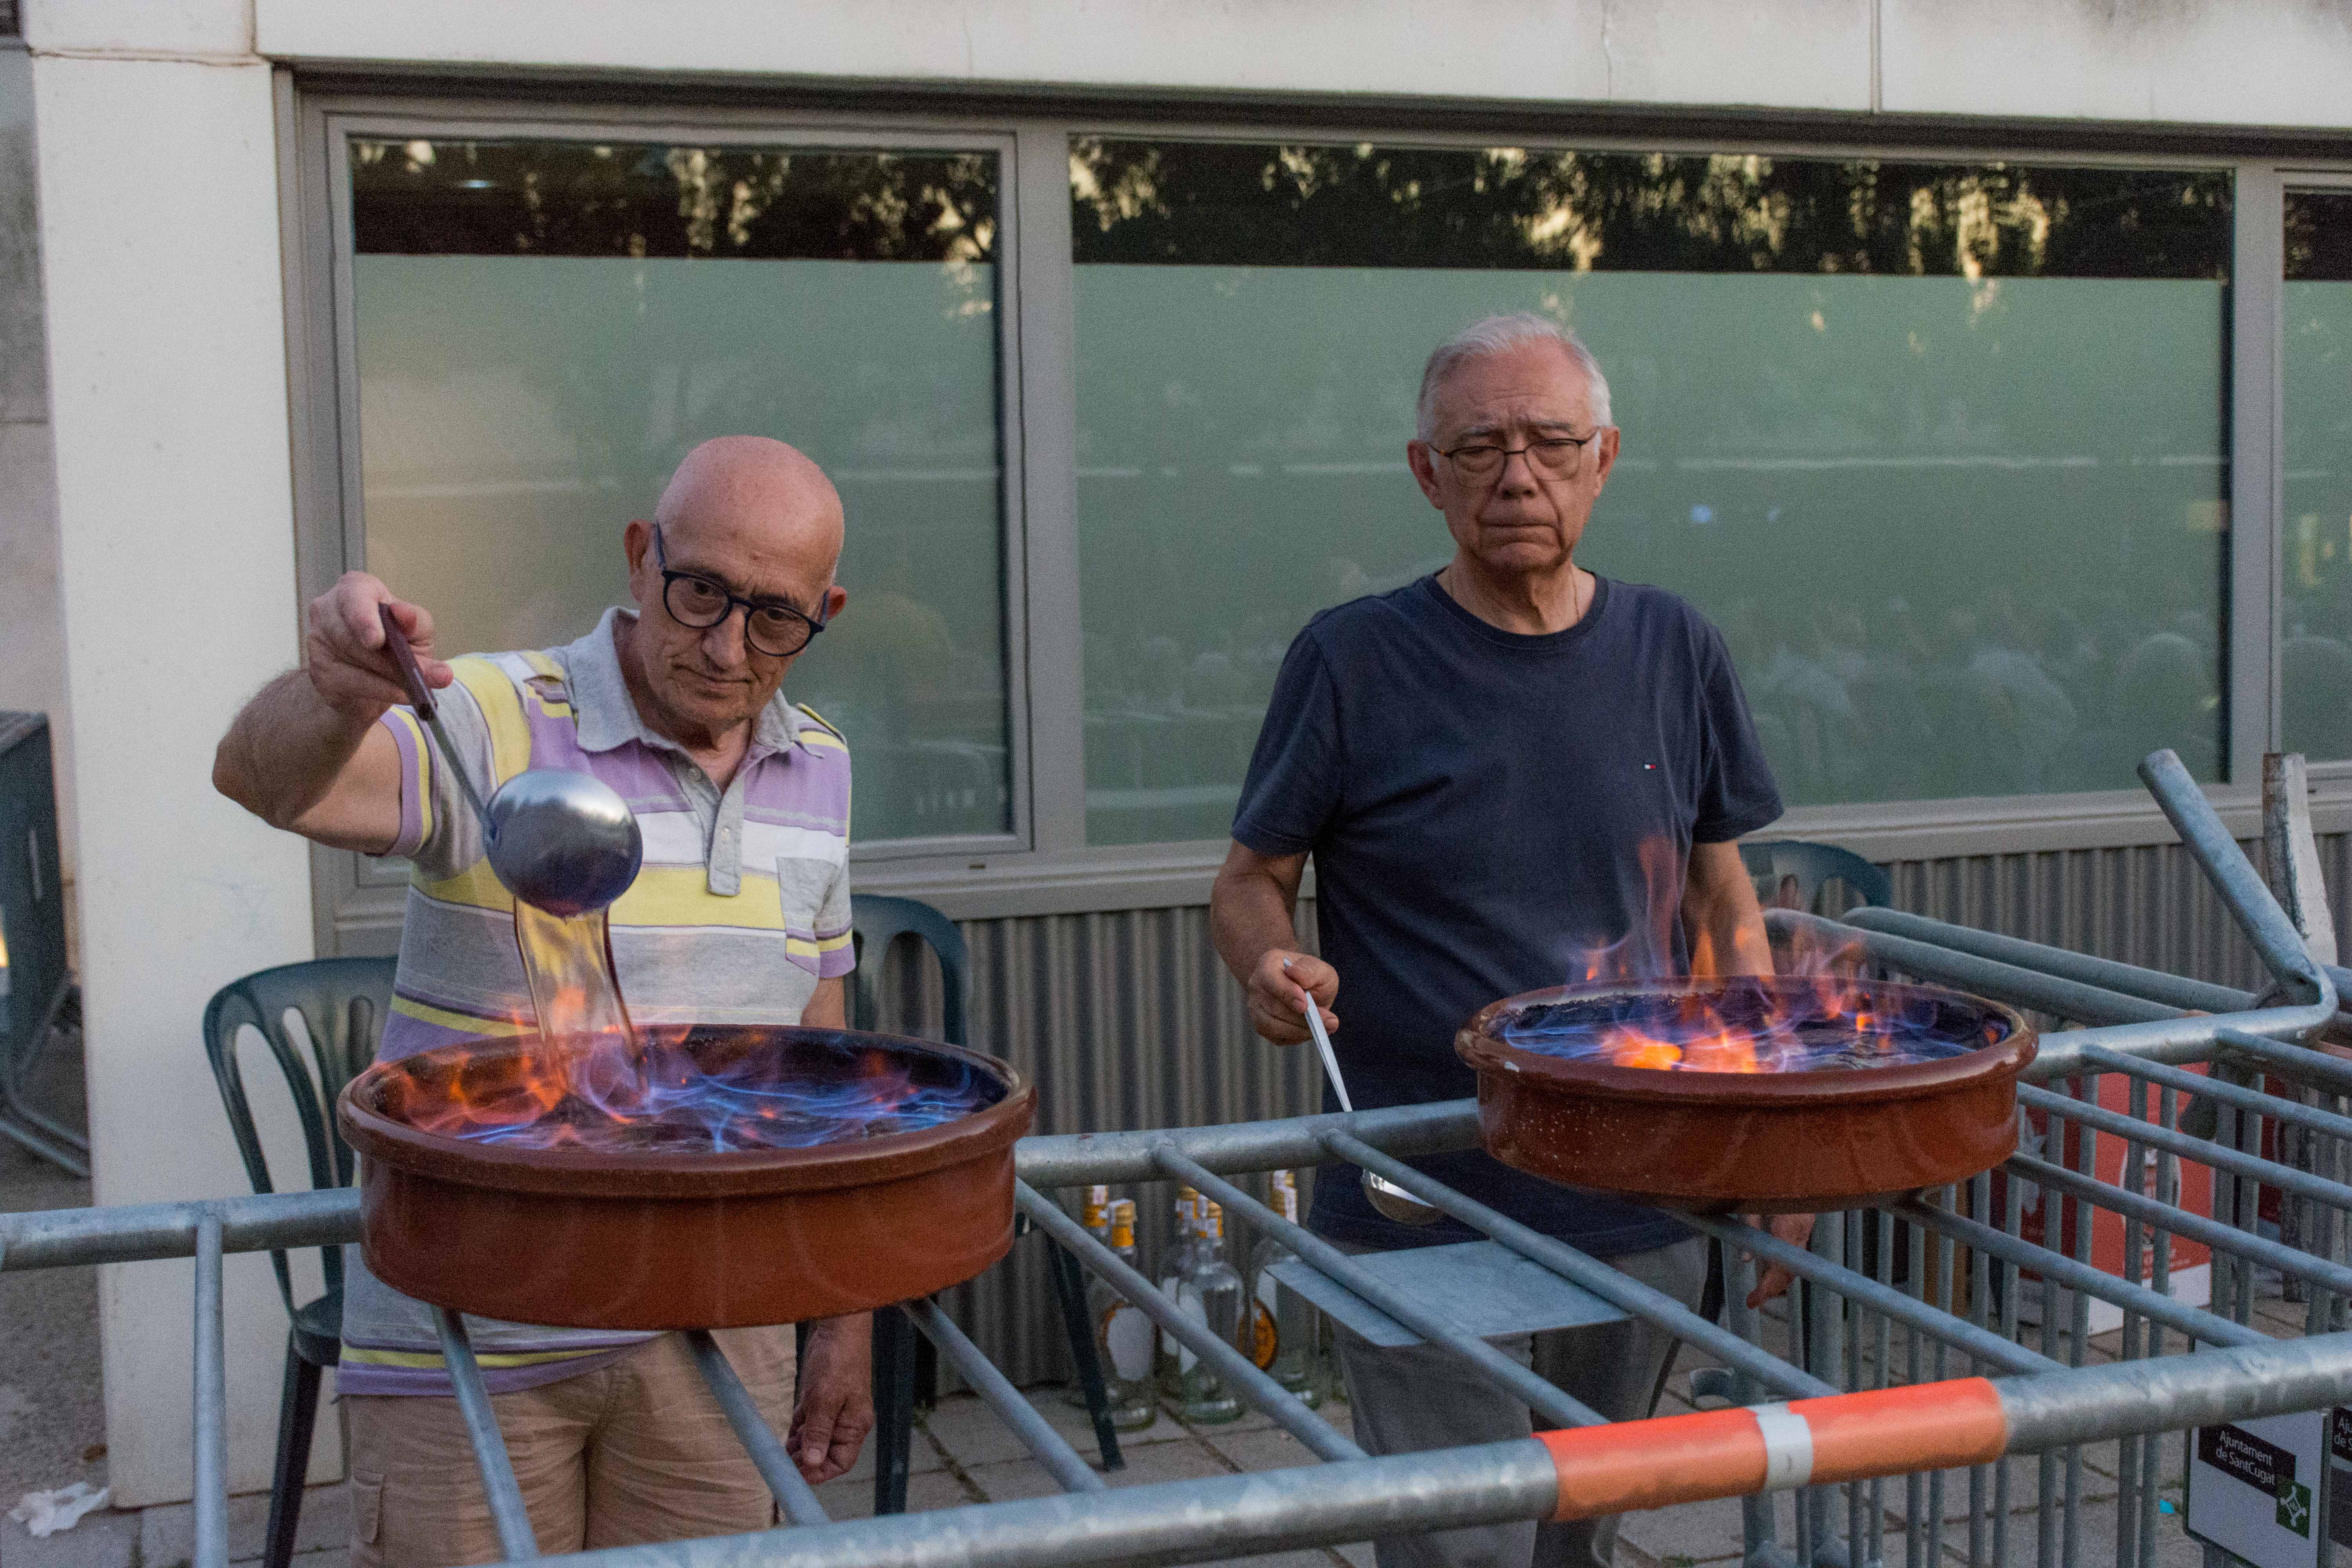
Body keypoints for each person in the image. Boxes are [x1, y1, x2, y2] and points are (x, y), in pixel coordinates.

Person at [1208, 315, 1810, 1568]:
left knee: (1585, 1535)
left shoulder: (1674, 648)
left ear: (1606, 459)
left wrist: (1773, 1134)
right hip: (1418, 1190)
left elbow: (1725, 907)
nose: (1517, 475)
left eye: (1550, 442)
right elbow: (1251, 880)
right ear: (1428, 475)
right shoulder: (1352, 659)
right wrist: (1269, 963)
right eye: (1478, 447)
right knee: (1456, 1546)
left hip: (1638, 1183)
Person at [214, 436, 871, 1566]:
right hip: (465, 1339)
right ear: (637, 556)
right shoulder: (490, 718)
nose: (725, 646)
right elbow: (264, 781)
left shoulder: (821, 765)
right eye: (699, 590)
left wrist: (843, 1317)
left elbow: (820, 1055)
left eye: (774, 618)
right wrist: (331, 694)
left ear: (825, 613)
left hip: (719, 1335)